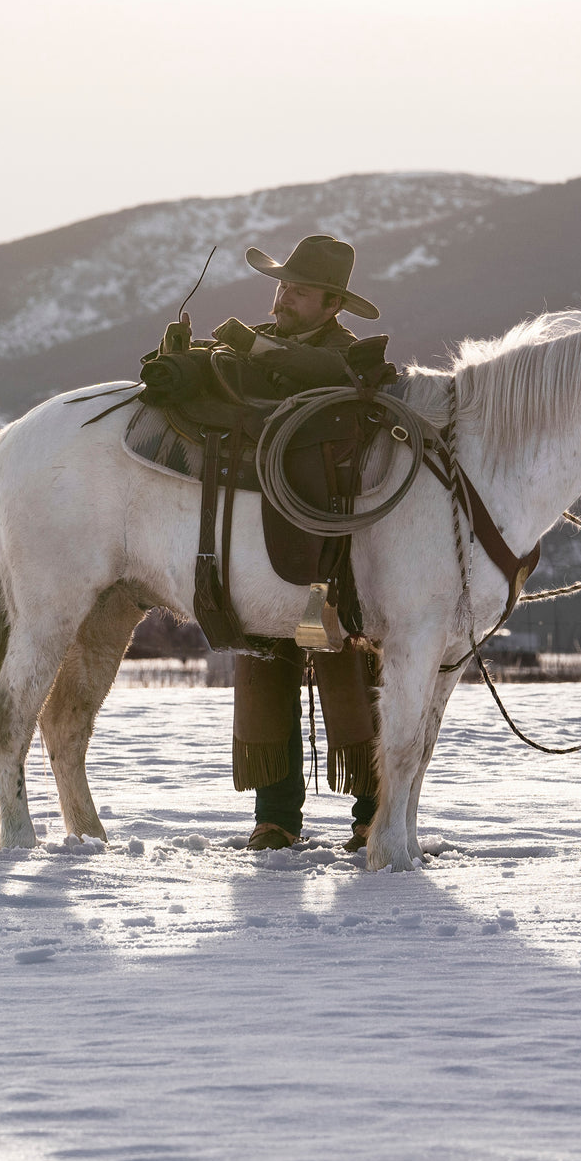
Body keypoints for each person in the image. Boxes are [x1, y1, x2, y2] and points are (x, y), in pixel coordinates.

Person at [205, 234, 384, 852]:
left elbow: (329, 372)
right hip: (255, 550)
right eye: (282, 286)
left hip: (335, 556)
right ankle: (275, 816)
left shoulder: (347, 357)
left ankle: (372, 813)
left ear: (332, 305)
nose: (282, 298)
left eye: (299, 292)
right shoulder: (255, 347)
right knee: (266, 658)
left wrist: (254, 349)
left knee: (344, 660)